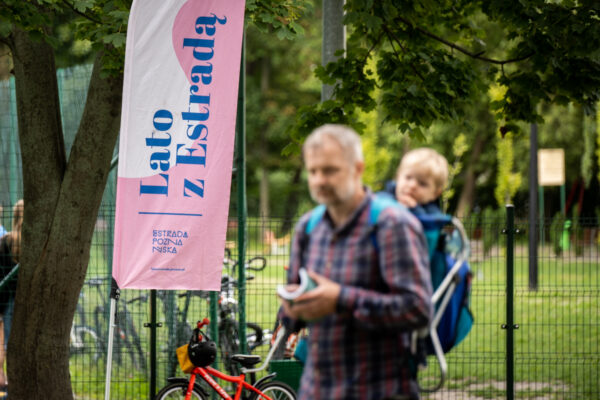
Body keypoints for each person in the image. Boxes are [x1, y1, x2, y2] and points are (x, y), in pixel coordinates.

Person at [279, 125, 433, 400]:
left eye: (330, 170)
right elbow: (291, 317)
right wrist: (292, 309)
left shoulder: (392, 224)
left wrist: (340, 299)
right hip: (317, 389)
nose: (319, 180)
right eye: (313, 171)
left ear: (357, 169)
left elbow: (418, 309)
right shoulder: (308, 227)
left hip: (378, 389)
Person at [0, 199, 23, 390]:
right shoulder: (39, 243)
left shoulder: (7, 241)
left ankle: (11, 383)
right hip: (33, 302)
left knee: (9, 343)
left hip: (10, 302)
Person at [392, 148, 449, 216]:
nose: (412, 185)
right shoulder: (385, 196)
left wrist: (415, 210)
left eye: (422, 183)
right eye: (408, 177)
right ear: (398, 177)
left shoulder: (433, 216)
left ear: (435, 193)